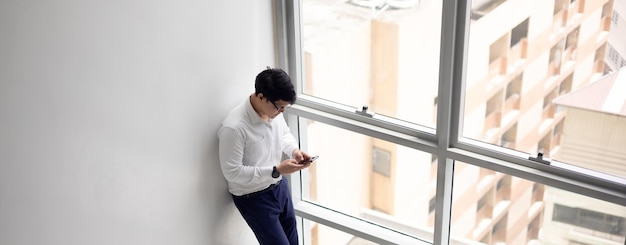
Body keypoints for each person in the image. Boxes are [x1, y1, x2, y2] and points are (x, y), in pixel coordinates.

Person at [218, 67, 313, 245]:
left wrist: (294, 151)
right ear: (261, 96)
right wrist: (276, 170)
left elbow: (284, 133)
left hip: (279, 186)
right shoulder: (234, 128)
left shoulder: (274, 111)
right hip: (253, 198)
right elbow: (232, 172)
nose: (282, 112)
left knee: (294, 241)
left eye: (285, 107)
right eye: (280, 107)